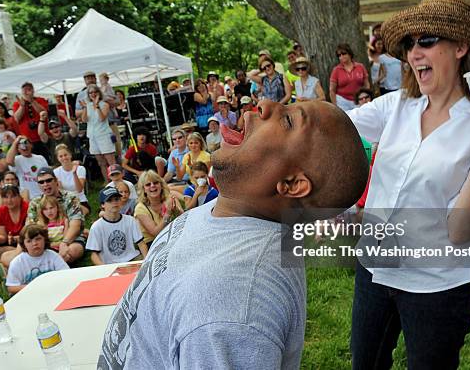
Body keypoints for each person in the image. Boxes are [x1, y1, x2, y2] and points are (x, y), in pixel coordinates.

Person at [98, 99, 369, 369]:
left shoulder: (232, 310)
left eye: (287, 121)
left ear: (291, 184)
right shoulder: (225, 211)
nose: (264, 105)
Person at [347, 0, 470, 369]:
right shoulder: (396, 107)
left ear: (460, 47)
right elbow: (334, 127)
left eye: (426, 41)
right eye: (410, 44)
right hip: (374, 268)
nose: (413, 53)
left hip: (437, 285)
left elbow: (463, 229)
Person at [25, 167, 85, 264]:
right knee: (10, 256)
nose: (45, 184)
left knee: (73, 251)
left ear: (56, 180)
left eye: (49, 180)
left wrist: (64, 243)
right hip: (44, 242)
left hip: (70, 240)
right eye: (41, 182)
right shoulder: (35, 202)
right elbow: (29, 228)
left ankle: (45, 266)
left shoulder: (70, 197)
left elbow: (76, 225)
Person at [87, 187, 148, 265]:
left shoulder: (130, 220)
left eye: (116, 199)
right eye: (109, 200)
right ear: (102, 205)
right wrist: (104, 269)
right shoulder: (96, 227)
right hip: (109, 264)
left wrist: (146, 262)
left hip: (132, 259)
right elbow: (94, 255)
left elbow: (141, 244)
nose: (114, 202)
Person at [5, 224, 69, 295]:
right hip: (29, 294)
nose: (34, 243)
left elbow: (66, 274)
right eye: (29, 241)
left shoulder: (53, 256)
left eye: (38, 239)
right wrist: (34, 287)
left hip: (52, 291)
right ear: (23, 244)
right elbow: (11, 287)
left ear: (45, 239)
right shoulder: (17, 263)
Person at [134, 170, 183, 248]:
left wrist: (176, 210)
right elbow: (155, 233)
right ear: (144, 189)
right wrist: (168, 214)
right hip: (153, 244)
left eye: (156, 183)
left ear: (161, 185)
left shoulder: (170, 198)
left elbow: (183, 220)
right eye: (148, 184)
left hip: (172, 237)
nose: (152, 186)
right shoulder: (140, 208)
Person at [80, 84, 117, 182]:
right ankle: (107, 182)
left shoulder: (104, 104)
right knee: (101, 162)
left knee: (111, 162)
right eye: (90, 92)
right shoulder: (87, 105)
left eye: (94, 92)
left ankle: (117, 181)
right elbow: (84, 120)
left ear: (98, 93)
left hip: (104, 135)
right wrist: (84, 108)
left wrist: (96, 106)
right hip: (92, 136)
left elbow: (102, 118)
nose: (92, 94)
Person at [0, 184, 28, 260]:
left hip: (26, 241)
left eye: (13, 196)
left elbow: (30, 233)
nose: (9, 200)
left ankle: (17, 255)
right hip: (10, 243)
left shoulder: (27, 208)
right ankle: (21, 255)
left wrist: (15, 239)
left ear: (19, 197)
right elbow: (3, 236)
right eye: (5, 197)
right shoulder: (1, 212)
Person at [12, 82, 51, 161]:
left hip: (41, 138)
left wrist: (32, 101)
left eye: (29, 89)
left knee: (44, 160)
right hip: (27, 140)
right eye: (25, 90)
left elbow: (43, 112)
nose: (27, 92)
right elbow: (16, 118)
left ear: (33, 91)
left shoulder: (40, 100)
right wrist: (22, 106)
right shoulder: (17, 104)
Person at [329, 43, 370, 111]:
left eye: (344, 53)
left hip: (359, 100)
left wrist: (364, 97)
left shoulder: (360, 67)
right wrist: (335, 106)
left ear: (349, 53)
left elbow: (367, 84)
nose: (341, 56)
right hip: (342, 101)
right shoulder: (336, 70)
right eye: (339, 55)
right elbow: (332, 90)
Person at [53, 144, 90, 215]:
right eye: (61, 156)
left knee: (77, 212)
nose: (64, 158)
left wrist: (74, 173)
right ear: (58, 158)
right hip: (65, 201)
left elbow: (79, 189)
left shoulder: (80, 169)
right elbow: (60, 191)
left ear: (70, 155)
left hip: (80, 200)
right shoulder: (56, 172)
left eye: (65, 155)